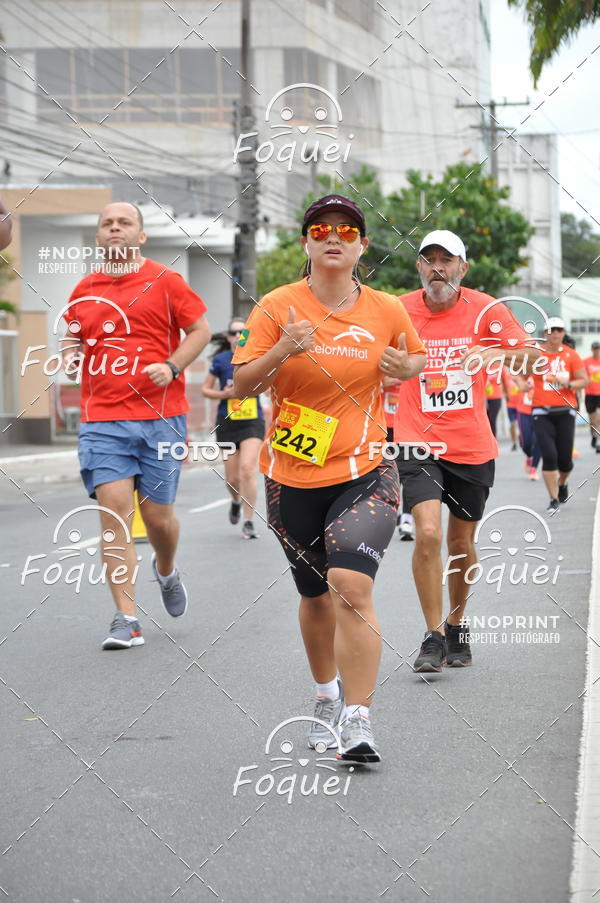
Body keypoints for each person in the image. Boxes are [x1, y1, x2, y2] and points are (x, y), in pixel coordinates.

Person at [233, 194, 426, 763]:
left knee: (352, 584)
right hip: (290, 475)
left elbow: (415, 358)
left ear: (363, 245)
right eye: (321, 228)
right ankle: (325, 696)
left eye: (347, 229)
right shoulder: (276, 305)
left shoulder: (387, 308)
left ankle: (359, 718)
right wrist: (286, 348)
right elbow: (241, 385)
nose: (333, 235)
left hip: (366, 469)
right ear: (307, 242)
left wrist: (404, 367)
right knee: (315, 595)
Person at [61, 201, 211, 649]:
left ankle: (165, 569)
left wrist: (172, 364)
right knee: (113, 514)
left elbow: (200, 330)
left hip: (162, 417)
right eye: (106, 223)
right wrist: (70, 354)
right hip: (102, 419)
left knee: (158, 517)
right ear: (98, 237)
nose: (114, 229)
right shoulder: (84, 288)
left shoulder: (166, 282)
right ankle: (125, 617)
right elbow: (71, 332)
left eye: (124, 223)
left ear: (140, 236)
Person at [393, 230, 540, 672]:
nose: (437, 268)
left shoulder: (486, 311)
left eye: (447, 260)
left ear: (463, 267)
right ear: (419, 267)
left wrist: (490, 355)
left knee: (460, 543)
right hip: (418, 439)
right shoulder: (397, 310)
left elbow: (533, 359)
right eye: (429, 260)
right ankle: (433, 635)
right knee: (429, 534)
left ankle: (458, 624)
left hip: (472, 445)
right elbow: (367, 359)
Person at [202, 319, 265, 538]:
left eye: (243, 333)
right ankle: (236, 501)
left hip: (252, 421)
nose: (238, 336)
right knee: (232, 479)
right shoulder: (220, 360)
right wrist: (224, 394)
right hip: (227, 421)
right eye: (234, 333)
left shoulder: (255, 357)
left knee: (247, 469)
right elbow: (205, 390)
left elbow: (269, 384)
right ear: (228, 336)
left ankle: (248, 521)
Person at [531, 317, 587, 512]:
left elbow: (584, 380)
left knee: (565, 460)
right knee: (549, 455)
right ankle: (553, 499)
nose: (555, 333)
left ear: (563, 333)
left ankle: (562, 483)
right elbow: (519, 373)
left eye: (559, 330)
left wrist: (569, 383)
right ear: (545, 333)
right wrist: (521, 384)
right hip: (541, 410)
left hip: (565, 411)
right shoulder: (536, 355)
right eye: (551, 329)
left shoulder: (571, 355)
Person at [382, 377, 415, 540]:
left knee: (408, 473)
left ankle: (407, 519)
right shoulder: (383, 361)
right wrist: (383, 382)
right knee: (389, 475)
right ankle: (392, 513)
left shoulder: (415, 363)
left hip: (408, 427)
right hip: (384, 426)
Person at [514, 374, 541, 480]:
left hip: (539, 410)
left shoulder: (543, 369)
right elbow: (514, 377)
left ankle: (534, 469)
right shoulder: (524, 370)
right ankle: (529, 456)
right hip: (523, 411)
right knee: (526, 443)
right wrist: (520, 379)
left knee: (537, 441)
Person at [583, 340, 600, 453]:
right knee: (592, 419)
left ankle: (598, 441)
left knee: (598, 417)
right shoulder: (586, 362)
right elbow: (582, 376)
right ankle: (594, 436)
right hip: (589, 394)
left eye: (598, 348)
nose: (596, 351)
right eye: (595, 349)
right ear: (592, 349)